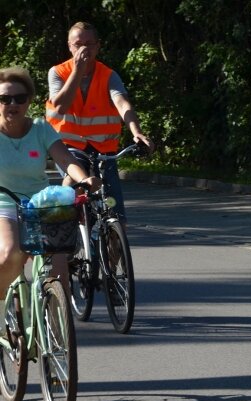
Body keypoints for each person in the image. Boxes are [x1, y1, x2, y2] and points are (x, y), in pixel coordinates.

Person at [0, 66, 99, 302]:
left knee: (59, 273)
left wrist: (83, 178)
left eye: (19, 98)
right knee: (10, 254)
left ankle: (58, 332)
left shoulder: (41, 129)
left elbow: (65, 159)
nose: (13, 104)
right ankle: (4, 312)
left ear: (29, 101)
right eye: (5, 99)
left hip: (41, 205)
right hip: (4, 204)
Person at [46, 21, 154, 225]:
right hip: (69, 146)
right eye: (78, 44)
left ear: (98, 46)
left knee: (116, 214)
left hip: (104, 150)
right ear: (70, 46)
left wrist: (137, 132)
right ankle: (63, 224)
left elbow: (122, 103)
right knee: (76, 179)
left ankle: (114, 244)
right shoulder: (58, 72)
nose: (84, 48)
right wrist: (78, 71)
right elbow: (60, 106)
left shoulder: (108, 75)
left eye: (89, 43)